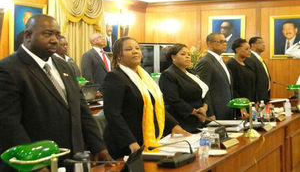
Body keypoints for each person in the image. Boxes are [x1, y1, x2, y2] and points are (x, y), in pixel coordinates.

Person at [0, 14, 112, 172]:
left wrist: (99, 147)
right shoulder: (8, 68)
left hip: (71, 159)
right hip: (37, 164)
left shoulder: (64, 66)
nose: (54, 40)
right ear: (28, 35)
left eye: (57, 35)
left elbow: (82, 110)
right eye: (47, 34)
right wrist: (34, 164)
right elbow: (8, 124)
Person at [103, 36, 191, 159]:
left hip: (146, 139)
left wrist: (176, 127)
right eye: (129, 49)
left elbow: (156, 106)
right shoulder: (114, 77)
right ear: (118, 55)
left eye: (137, 48)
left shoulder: (144, 76)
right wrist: (130, 142)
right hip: (125, 143)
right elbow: (112, 114)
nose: (135, 51)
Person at [159, 43, 209, 133]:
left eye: (189, 54)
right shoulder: (168, 74)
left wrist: (204, 108)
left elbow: (203, 92)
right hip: (182, 120)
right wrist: (196, 113)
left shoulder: (191, 72)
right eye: (183, 54)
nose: (187, 57)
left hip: (199, 119)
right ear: (173, 57)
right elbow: (173, 100)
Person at [194, 33, 233, 120]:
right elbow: (203, 89)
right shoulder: (206, 62)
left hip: (226, 109)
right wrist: (209, 112)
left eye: (225, 41)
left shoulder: (220, 60)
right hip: (215, 111)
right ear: (210, 43)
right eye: (220, 41)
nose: (225, 44)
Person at [226, 38, 255, 119]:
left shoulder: (248, 64)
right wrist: (241, 107)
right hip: (239, 105)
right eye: (247, 49)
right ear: (237, 50)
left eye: (250, 49)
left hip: (249, 102)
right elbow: (232, 87)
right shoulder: (231, 64)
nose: (250, 51)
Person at [245, 37, 271, 103]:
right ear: (253, 45)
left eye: (264, 42)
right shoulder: (250, 58)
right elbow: (251, 80)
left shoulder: (259, 58)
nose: (264, 44)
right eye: (260, 42)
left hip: (264, 95)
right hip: (257, 97)